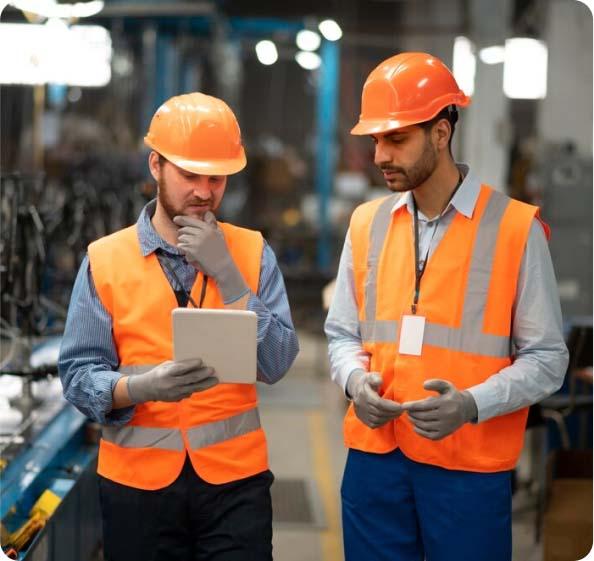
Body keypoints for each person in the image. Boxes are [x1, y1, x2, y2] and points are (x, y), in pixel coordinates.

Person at [324, 52, 568, 561]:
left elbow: (548, 359)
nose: (380, 157)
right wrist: (354, 383)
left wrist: (470, 405)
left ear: (440, 132)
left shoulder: (515, 230)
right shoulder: (366, 225)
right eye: (376, 140)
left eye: (396, 139)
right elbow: (342, 335)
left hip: (468, 469)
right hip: (374, 464)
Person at [59, 92, 299, 561]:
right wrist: (139, 387)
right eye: (190, 175)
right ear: (156, 167)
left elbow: (275, 363)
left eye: (216, 178)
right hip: (137, 489)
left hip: (235, 488)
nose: (205, 192)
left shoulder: (251, 253)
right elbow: (78, 375)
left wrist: (229, 277)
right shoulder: (105, 260)